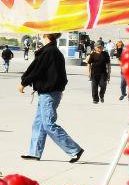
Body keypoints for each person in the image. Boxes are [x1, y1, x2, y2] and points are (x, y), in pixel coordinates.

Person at [20, 31, 84, 163]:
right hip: (47, 92)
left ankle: (74, 150)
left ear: (45, 35)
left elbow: (37, 69)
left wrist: (24, 82)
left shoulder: (50, 52)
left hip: (50, 93)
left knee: (48, 124)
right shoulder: (51, 51)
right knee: (39, 123)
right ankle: (34, 153)